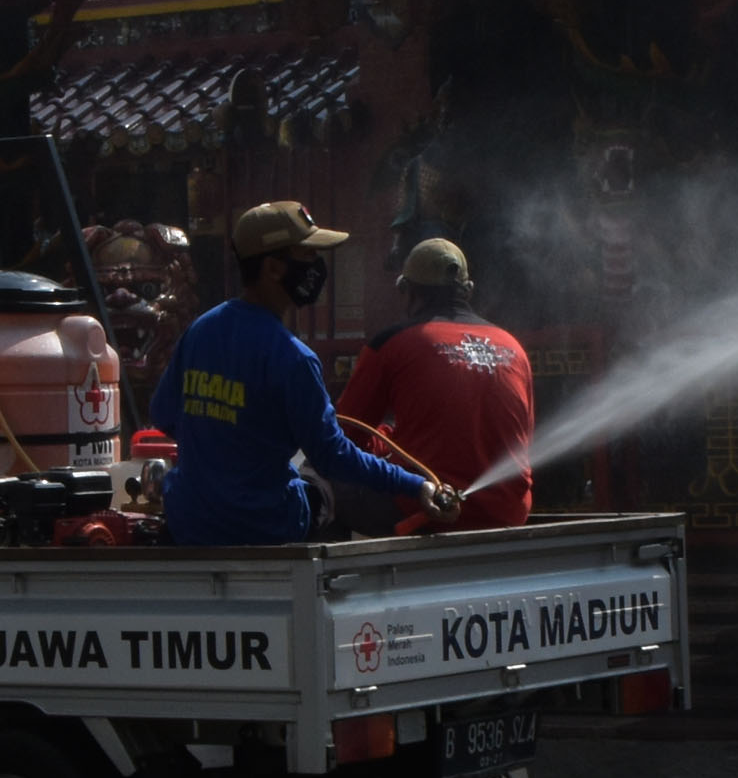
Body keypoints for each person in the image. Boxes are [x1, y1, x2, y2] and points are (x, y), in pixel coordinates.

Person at [157, 201, 451, 545]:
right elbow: (333, 456)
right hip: (262, 525)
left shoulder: (200, 331)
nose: (318, 267)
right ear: (272, 268)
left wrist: (224, 442)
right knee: (324, 490)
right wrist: (415, 485)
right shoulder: (294, 357)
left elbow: (163, 414)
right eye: (308, 256)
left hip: (189, 519)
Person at [334, 240, 535, 534]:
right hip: (507, 512)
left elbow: (345, 436)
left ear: (408, 291)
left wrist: (385, 437)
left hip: (427, 508)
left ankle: (332, 579)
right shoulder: (513, 347)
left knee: (324, 480)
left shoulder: (392, 343)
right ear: (468, 290)